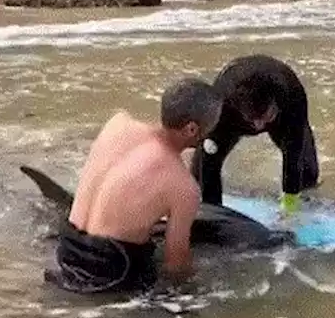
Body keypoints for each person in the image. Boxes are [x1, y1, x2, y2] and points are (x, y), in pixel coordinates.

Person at [43, 77, 223, 294]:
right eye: (213, 125)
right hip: (110, 272)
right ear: (192, 129)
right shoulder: (183, 187)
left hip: (66, 248)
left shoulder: (118, 123)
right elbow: (176, 264)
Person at [190, 54, 320, 215]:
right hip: (234, 114)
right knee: (206, 157)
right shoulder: (222, 105)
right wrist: (214, 212)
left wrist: (289, 208)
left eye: (264, 119)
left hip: (281, 116)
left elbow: (294, 157)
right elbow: (210, 162)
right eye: (254, 121)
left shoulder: (292, 97)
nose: (259, 127)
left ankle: (307, 201)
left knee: (306, 170)